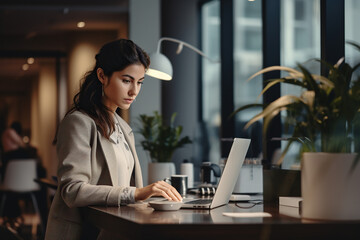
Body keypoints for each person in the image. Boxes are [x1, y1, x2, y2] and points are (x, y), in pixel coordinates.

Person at [45, 39, 182, 240]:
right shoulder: (78, 122)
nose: (134, 91)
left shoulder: (123, 128)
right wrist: (136, 193)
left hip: (115, 231)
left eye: (140, 82)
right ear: (102, 75)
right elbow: (72, 190)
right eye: (126, 80)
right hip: (85, 234)